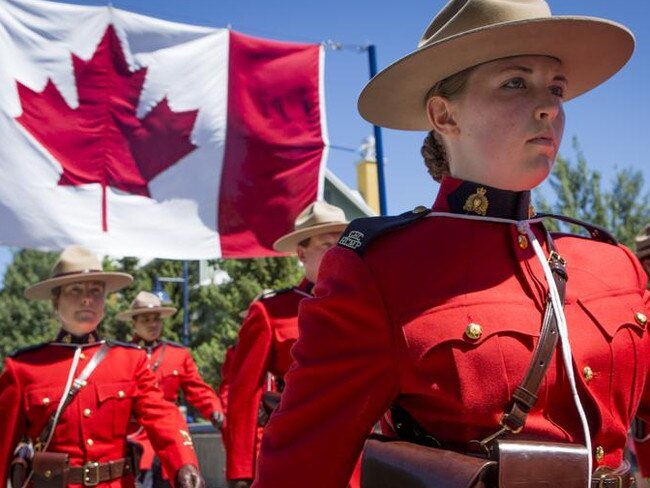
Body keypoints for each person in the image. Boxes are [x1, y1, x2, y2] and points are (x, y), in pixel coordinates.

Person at [253, 1, 647, 487]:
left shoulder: (614, 265)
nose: (549, 106)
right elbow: (299, 468)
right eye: (516, 82)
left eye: (556, 88)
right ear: (444, 114)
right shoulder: (382, 271)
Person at [0, 245, 204, 488]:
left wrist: (184, 463)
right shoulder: (25, 366)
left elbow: (162, 415)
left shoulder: (131, 360)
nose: (87, 298)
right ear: (56, 301)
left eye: (96, 291)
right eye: (75, 290)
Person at [225, 201, 348, 488]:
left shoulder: (366, 303)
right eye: (325, 245)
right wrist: (241, 471)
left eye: (341, 243)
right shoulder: (270, 311)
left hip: (359, 452)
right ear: (302, 253)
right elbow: (244, 395)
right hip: (300, 453)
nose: (336, 252)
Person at [116, 291, 224, 488]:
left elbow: (197, 388)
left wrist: (214, 410)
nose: (153, 324)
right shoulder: (121, 356)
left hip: (170, 433)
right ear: (134, 322)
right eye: (146, 319)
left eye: (156, 319)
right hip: (135, 437)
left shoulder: (178, 354)